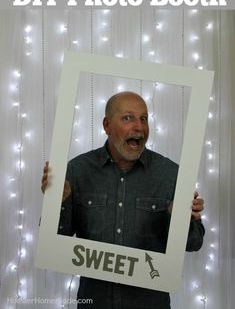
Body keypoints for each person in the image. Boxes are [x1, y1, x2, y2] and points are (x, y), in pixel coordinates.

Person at [41, 91, 205, 309]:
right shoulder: (76, 171)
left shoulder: (172, 175)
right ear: (107, 126)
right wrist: (57, 202)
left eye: (144, 118)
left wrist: (182, 220)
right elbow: (53, 243)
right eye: (128, 118)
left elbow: (194, 244)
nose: (139, 127)